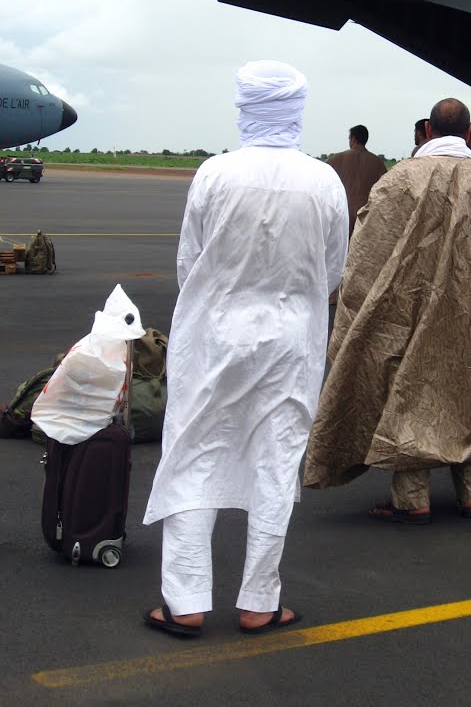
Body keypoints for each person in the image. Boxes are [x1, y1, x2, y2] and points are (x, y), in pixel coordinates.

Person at [142, 61, 348, 637]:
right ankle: (260, 601)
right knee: (276, 461)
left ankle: (184, 602)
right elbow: (333, 270)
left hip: (213, 335)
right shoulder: (324, 180)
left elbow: (190, 263)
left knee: (192, 453)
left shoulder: (214, 174)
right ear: (296, 112)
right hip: (291, 340)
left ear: (245, 110)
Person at [304, 98, 471, 523]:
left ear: (427, 130)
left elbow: (367, 255)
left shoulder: (400, 181)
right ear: (469, 134)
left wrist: (356, 315)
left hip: (408, 316)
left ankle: (413, 500)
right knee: (469, 395)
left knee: (408, 394)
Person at [328, 125, 387, 237]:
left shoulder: (336, 159)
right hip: (367, 216)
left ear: (353, 139)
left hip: (343, 214)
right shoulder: (377, 162)